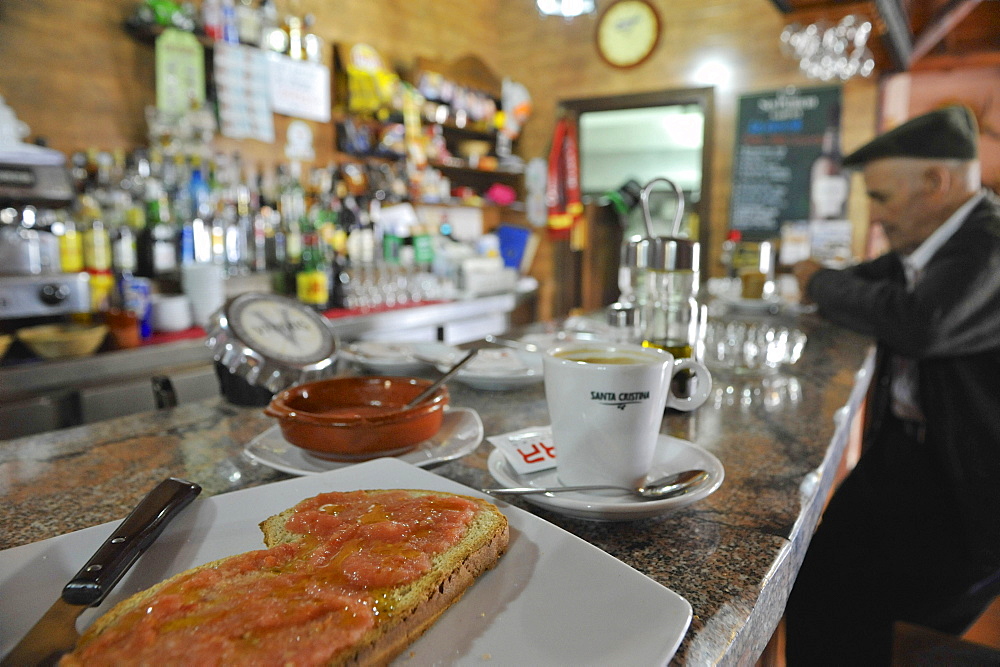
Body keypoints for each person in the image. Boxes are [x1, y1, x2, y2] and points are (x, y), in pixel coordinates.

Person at [784, 105, 1000, 665]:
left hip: (972, 486)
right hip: (904, 457)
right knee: (813, 581)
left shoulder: (990, 244)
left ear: (936, 181)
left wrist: (819, 280)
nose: (874, 219)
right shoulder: (924, 247)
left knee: (876, 627)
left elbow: (921, 323)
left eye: (880, 198)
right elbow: (861, 285)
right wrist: (828, 283)